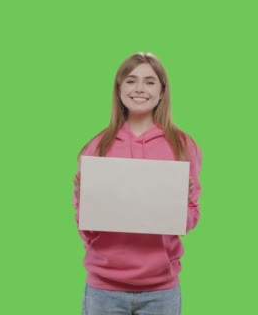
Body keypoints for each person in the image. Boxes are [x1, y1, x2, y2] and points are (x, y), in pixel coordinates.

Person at [72, 52, 202, 315]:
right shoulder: (97, 147)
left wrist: (179, 207)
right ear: (119, 88)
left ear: (163, 91)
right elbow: (84, 229)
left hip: (161, 290)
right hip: (104, 288)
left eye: (150, 82)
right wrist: (86, 206)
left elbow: (191, 217)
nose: (140, 89)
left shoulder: (183, 146)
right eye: (131, 80)